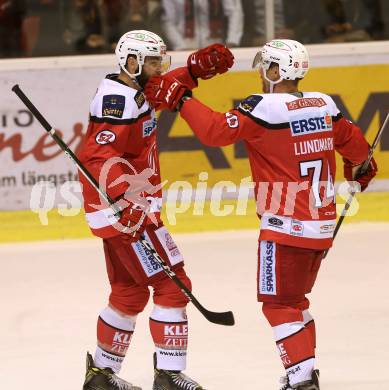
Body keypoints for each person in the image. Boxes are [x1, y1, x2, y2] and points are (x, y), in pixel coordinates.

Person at [144, 39, 378, 389]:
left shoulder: (264, 108)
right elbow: (357, 150)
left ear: (275, 71)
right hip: (320, 227)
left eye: (263, 66)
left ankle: (301, 380)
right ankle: (303, 372)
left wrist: (181, 98)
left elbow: (214, 132)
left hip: (285, 228)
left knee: (279, 305)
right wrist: (360, 166)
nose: (259, 72)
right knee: (295, 301)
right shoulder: (325, 105)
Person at [77, 29, 233, 390]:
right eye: (152, 61)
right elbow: (97, 156)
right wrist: (123, 201)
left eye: (160, 60)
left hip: (117, 210)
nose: (158, 67)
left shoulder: (132, 89)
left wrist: (192, 70)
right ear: (130, 62)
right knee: (172, 284)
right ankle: (169, 374)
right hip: (127, 211)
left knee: (129, 292)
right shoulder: (118, 100)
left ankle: (101, 375)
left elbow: (157, 91)